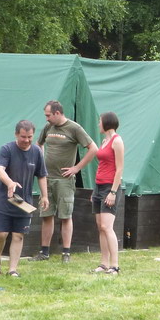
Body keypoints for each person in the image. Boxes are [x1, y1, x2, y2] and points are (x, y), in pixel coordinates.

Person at [32, 100, 98, 264]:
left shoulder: (74, 128)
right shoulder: (48, 127)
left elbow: (93, 149)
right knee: (46, 215)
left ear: (57, 113)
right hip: (47, 179)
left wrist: (77, 168)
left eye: (48, 115)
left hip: (64, 180)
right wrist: (41, 164)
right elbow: (38, 144)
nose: (46, 118)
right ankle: (44, 252)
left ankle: (66, 253)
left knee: (65, 216)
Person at [0, 120, 49, 277]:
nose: (27, 140)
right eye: (23, 137)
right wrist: (10, 183)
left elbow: (42, 175)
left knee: (18, 235)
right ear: (16, 134)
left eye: (30, 137)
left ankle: (12, 269)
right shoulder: (6, 149)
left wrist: (45, 196)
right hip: (3, 201)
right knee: (1, 233)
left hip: (24, 203)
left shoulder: (37, 152)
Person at [93, 111, 124, 275]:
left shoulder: (117, 141)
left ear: (107, 123)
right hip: (98, 187)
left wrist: (112, 192)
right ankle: (104, 264)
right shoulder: (104, 141)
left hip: (110, 187)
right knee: (100, 227)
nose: (99, 124)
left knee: (107, 226)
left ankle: (115, 266)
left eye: (100, 121)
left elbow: (119, 169)